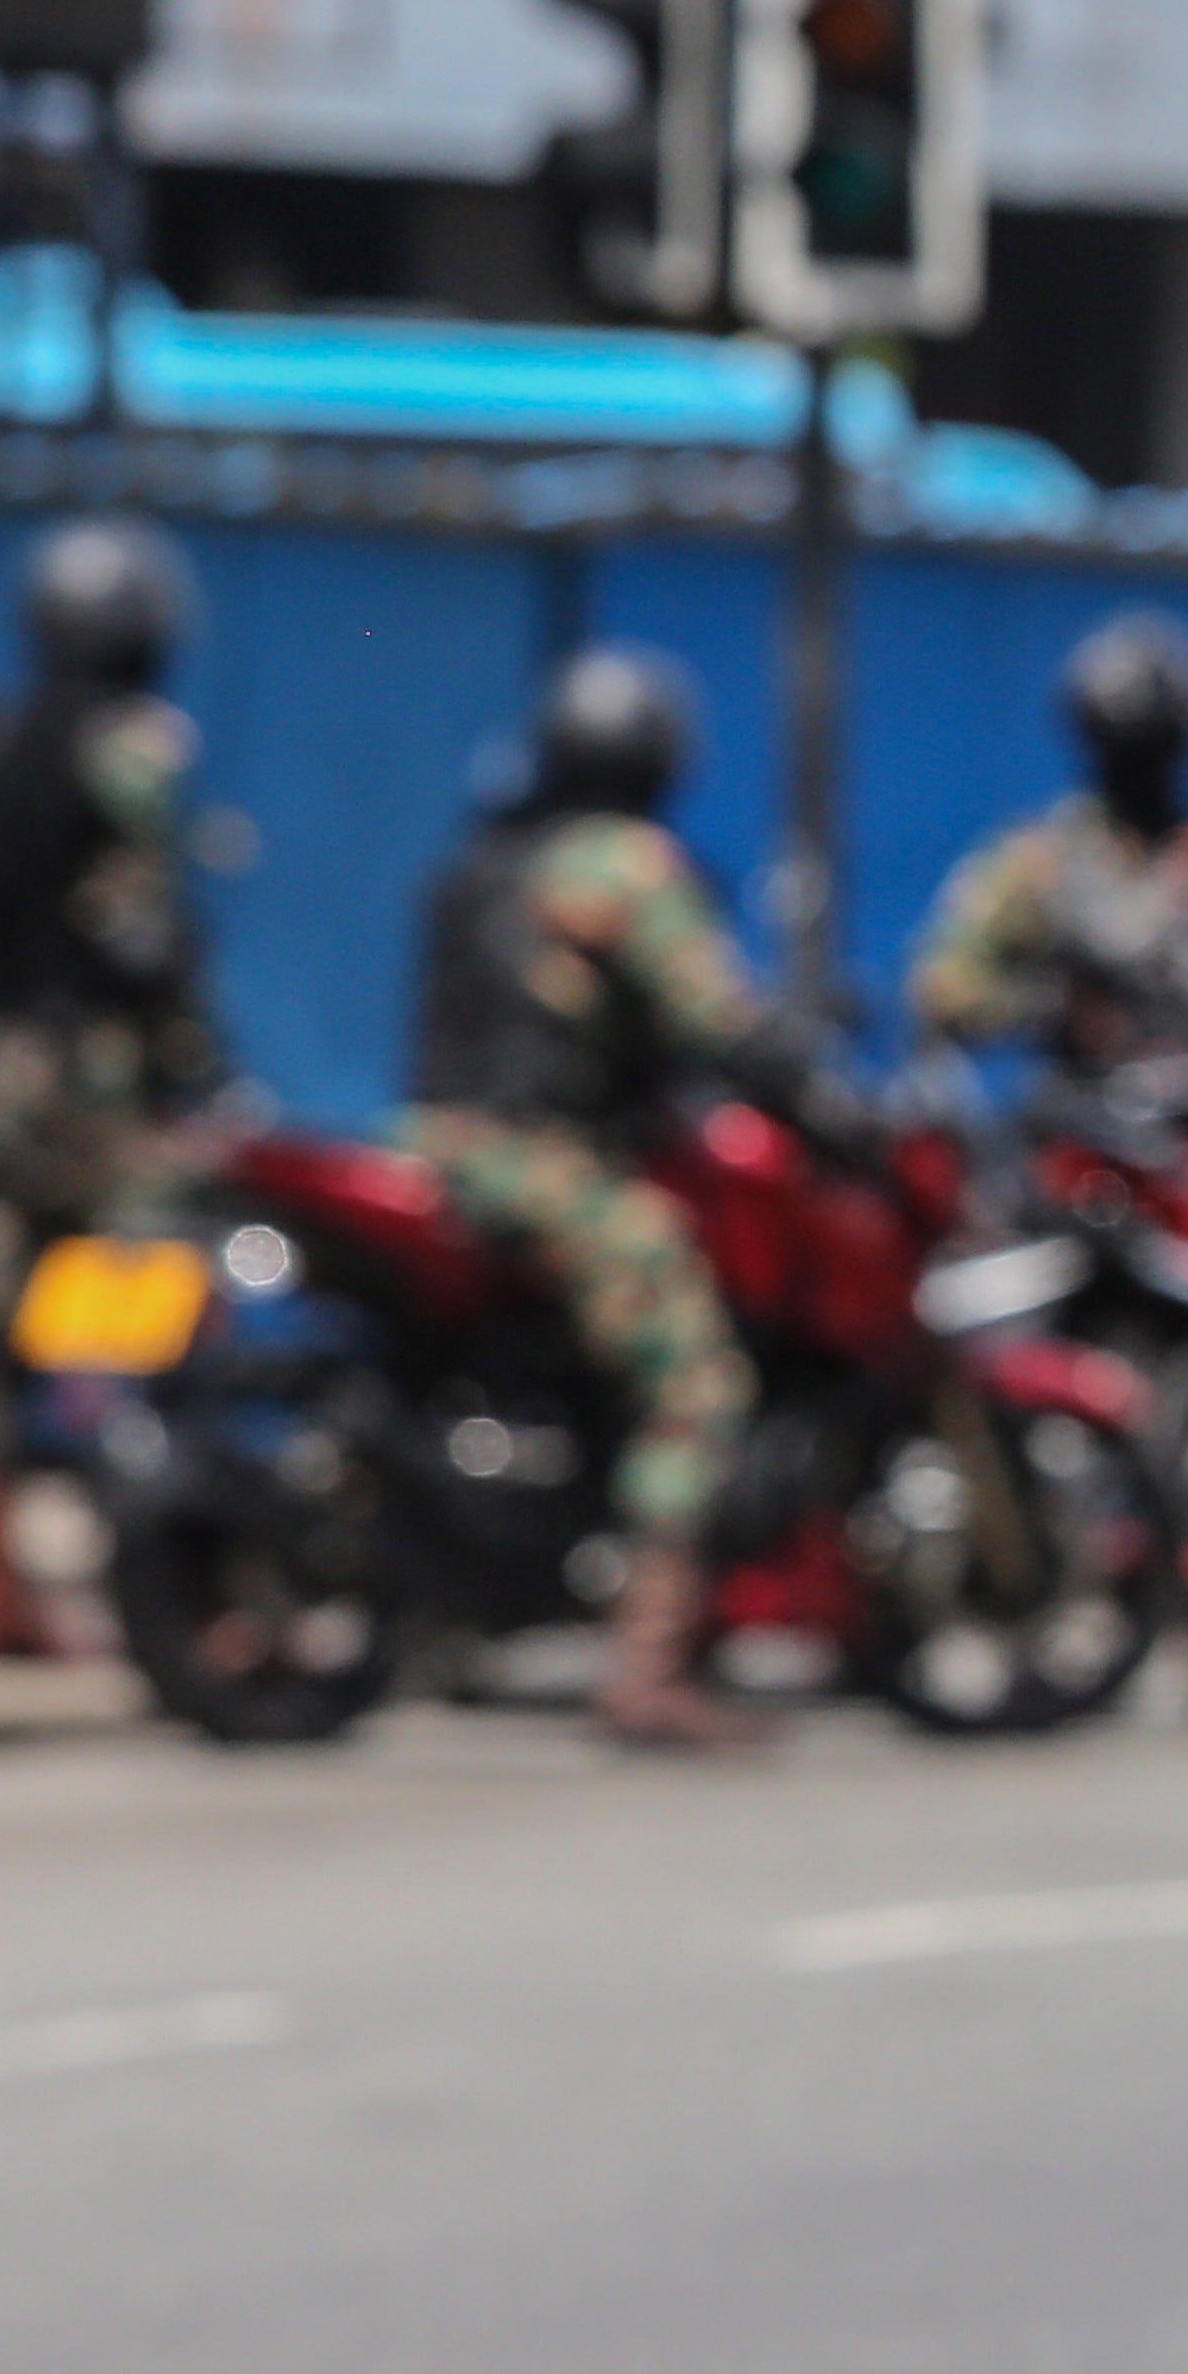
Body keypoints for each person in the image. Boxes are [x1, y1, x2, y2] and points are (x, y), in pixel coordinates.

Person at [400, 647, 781, 1753]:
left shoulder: (485, 859)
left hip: (432, 1147)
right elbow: (715, 1019)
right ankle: (647, 1666)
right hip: (542, 1160)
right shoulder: (623, 866)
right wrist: (790, 1060)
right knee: (697, 1380)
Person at [0, 517, 234, 1659]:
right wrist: (197, 1068)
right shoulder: (135, 743)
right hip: (89, 1083)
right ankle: (175, 1584)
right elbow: (149, 926)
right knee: (145, 1305)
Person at [908, 610, 1188, 1095]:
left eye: (1160, 747)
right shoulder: (1040, 864)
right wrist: (1055, 1007)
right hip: (1091, 1129)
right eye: (1129, 748)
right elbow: (943, 986)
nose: (1146, 769)